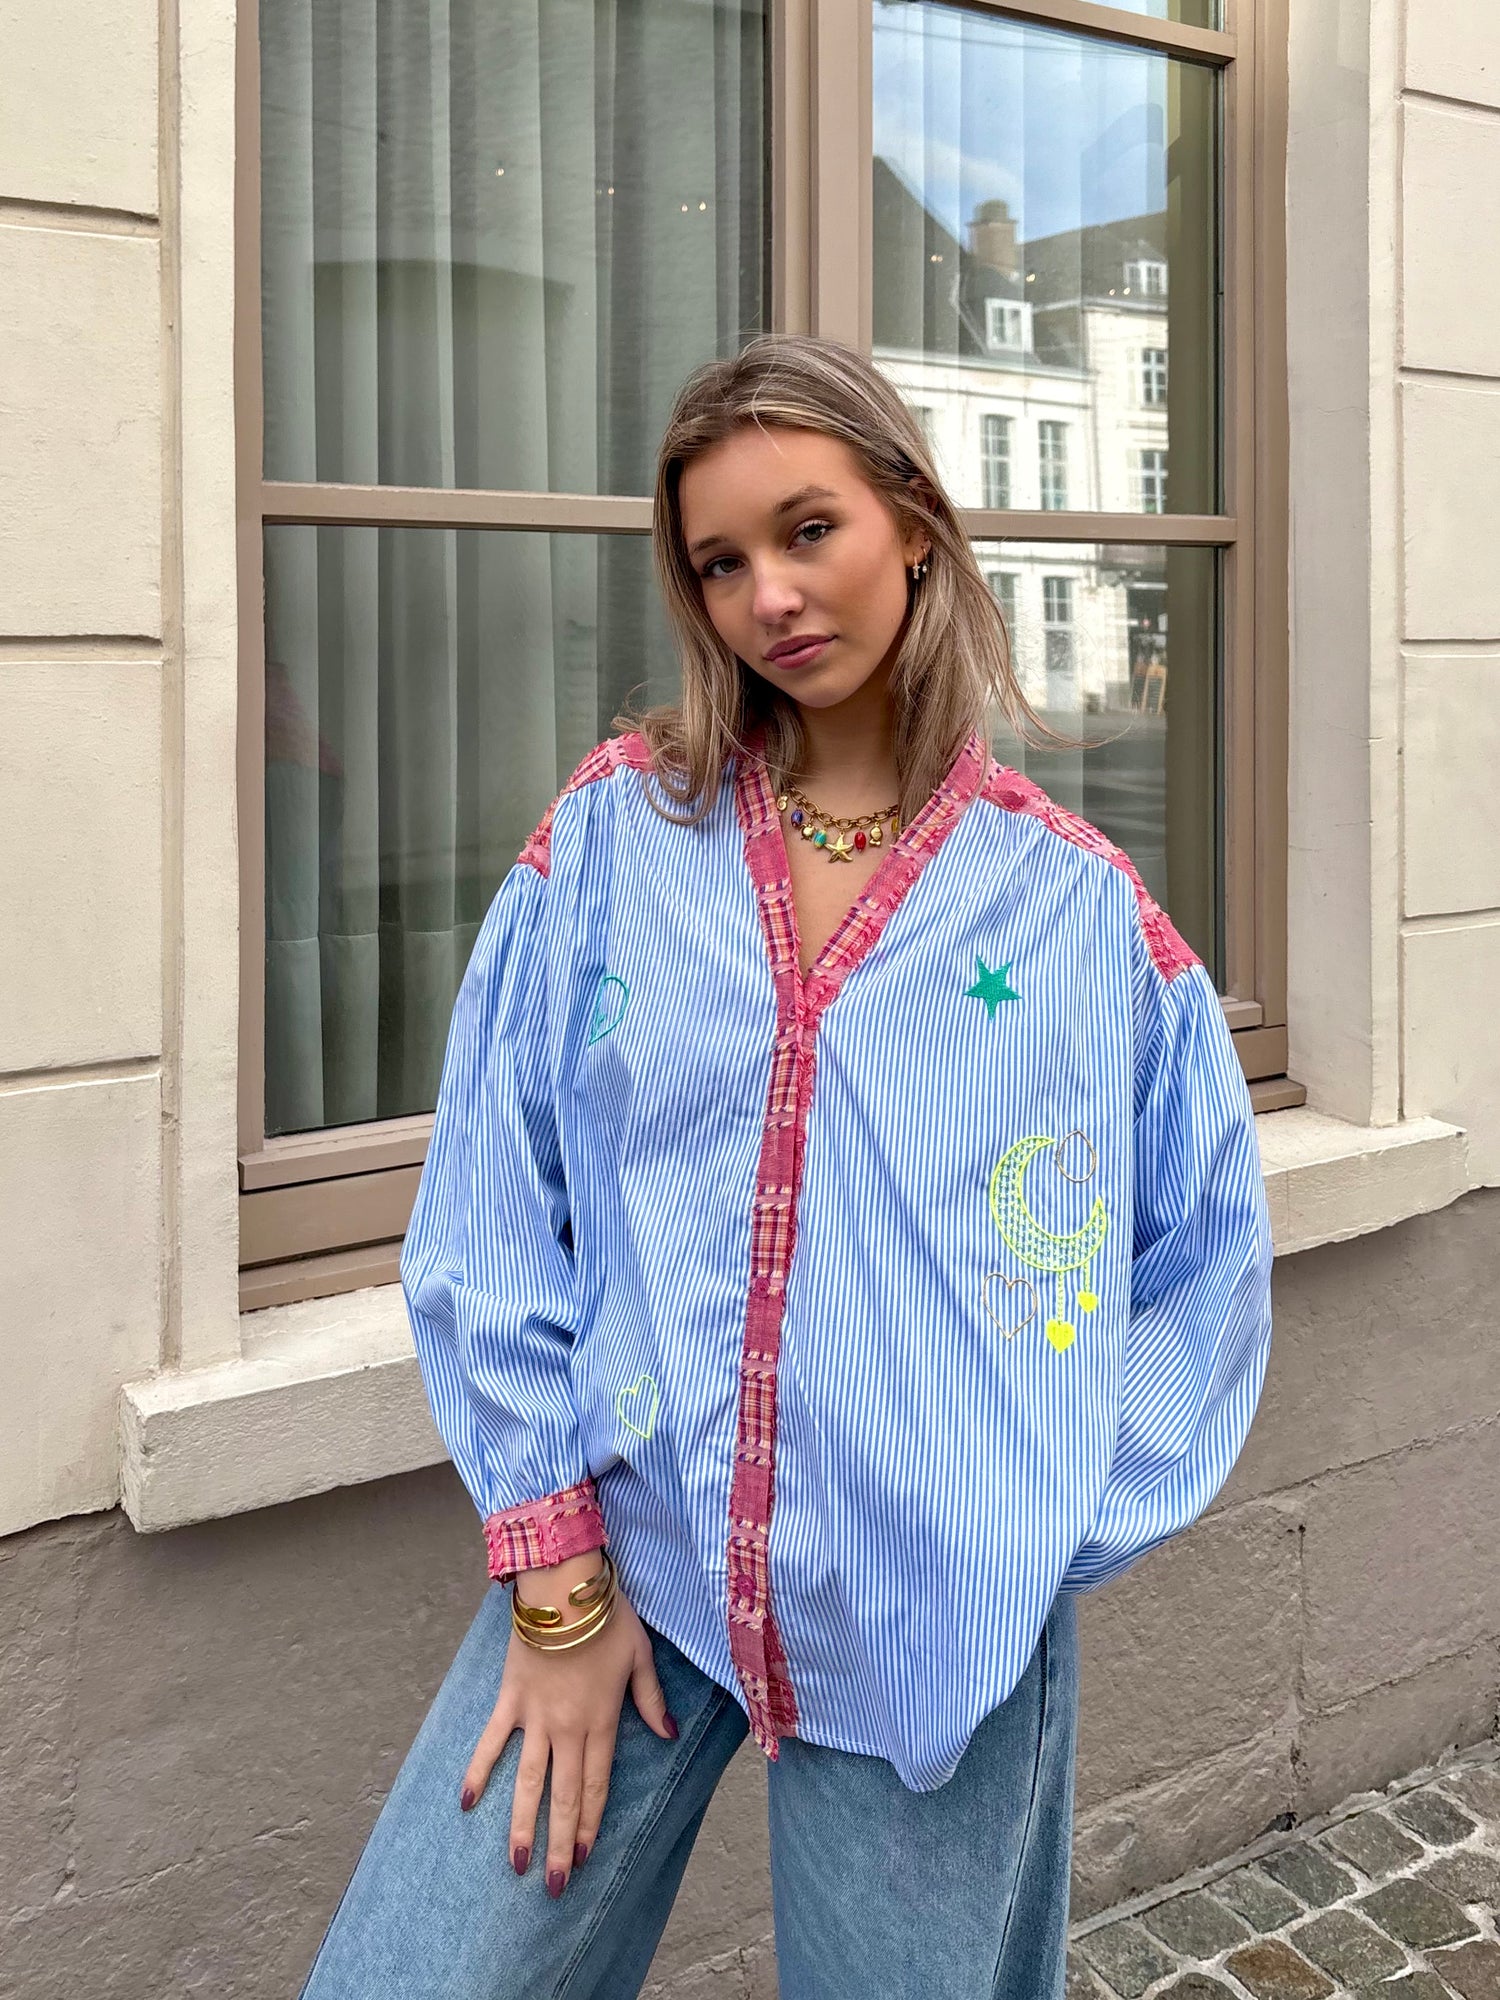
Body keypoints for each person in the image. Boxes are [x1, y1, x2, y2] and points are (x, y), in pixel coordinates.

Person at [298, 335, 1273, 2000]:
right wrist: (555, 1577)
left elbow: (1203, 1259)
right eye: (720, 562)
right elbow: (490, 1201)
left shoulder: (1077, 913)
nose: (770, 596)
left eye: (808, 530)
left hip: (928, 1629)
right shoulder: (615, 838)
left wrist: (1017, 1526)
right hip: (628, 1556)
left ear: (914, 521)